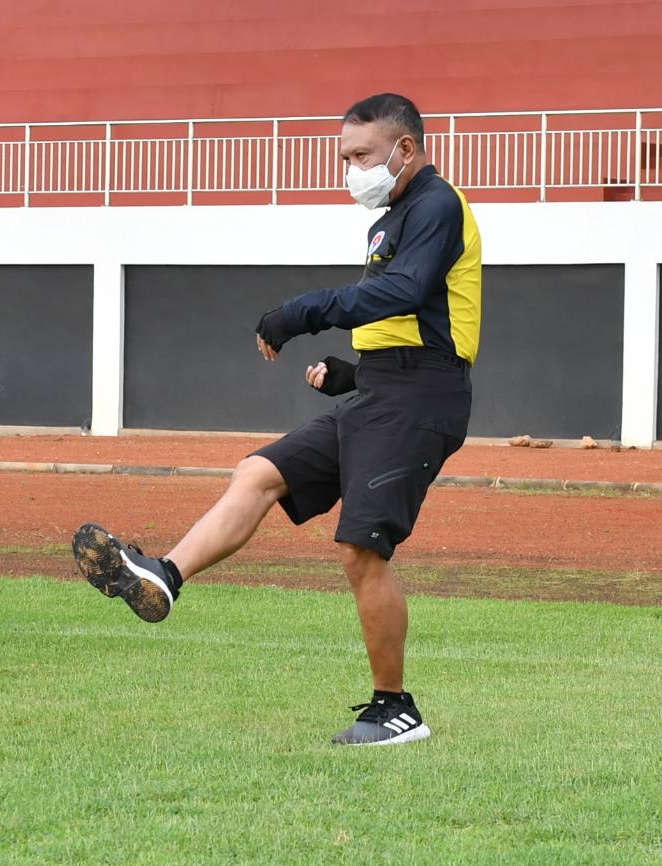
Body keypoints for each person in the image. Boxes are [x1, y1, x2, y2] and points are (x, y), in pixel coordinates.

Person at [73, 93, 481, 745]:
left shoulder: (435, 203)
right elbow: (412, 313)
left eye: (361, 155)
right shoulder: (393, 216)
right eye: (344, 156)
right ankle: (165, 577)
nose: (351, 169)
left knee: (360, 547)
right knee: (260, 472)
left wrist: (302, 311)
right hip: (382, 392)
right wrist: (352, 374)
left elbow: (404, 291)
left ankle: (395, 709)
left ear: (405, 150)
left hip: (420, 398)